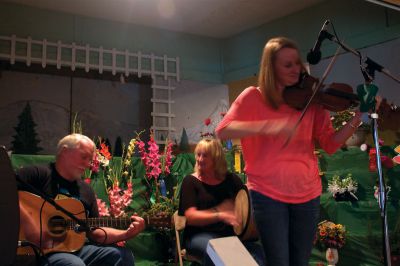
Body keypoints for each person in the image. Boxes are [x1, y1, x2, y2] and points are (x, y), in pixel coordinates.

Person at [215, 37, 363, 266]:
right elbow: (222, 131)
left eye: (297, 63)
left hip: (307, 192)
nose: (297, 69)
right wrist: (267, 126)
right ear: (270, 68)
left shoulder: (312, 99)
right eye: (288, 65)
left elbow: (331, 144)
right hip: (267, 193)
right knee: (279, 261)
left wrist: (357, 118)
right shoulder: (253, 96)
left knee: (300, 262)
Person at [17, 133, 145, 266]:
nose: (88, 164)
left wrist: (126, 234)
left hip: (74, 250)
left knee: (122, 256)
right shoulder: (38, 175)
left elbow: (95, 232)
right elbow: (5, 193)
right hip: (36, 251)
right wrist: (29, 224)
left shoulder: (86, 190)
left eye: (90, 159)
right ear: (65, 152)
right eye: (84, 157)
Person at [178, 138, 265, 265]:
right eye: (198, 154)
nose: (200, 159)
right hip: (199, 236)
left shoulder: (231, 179)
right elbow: (191, 217)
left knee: (260, 253)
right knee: (220, 252)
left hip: (230, 237)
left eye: (205, 155)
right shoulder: (190, 181)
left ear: (216, 158)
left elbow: (245, 202)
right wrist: (220, 214)